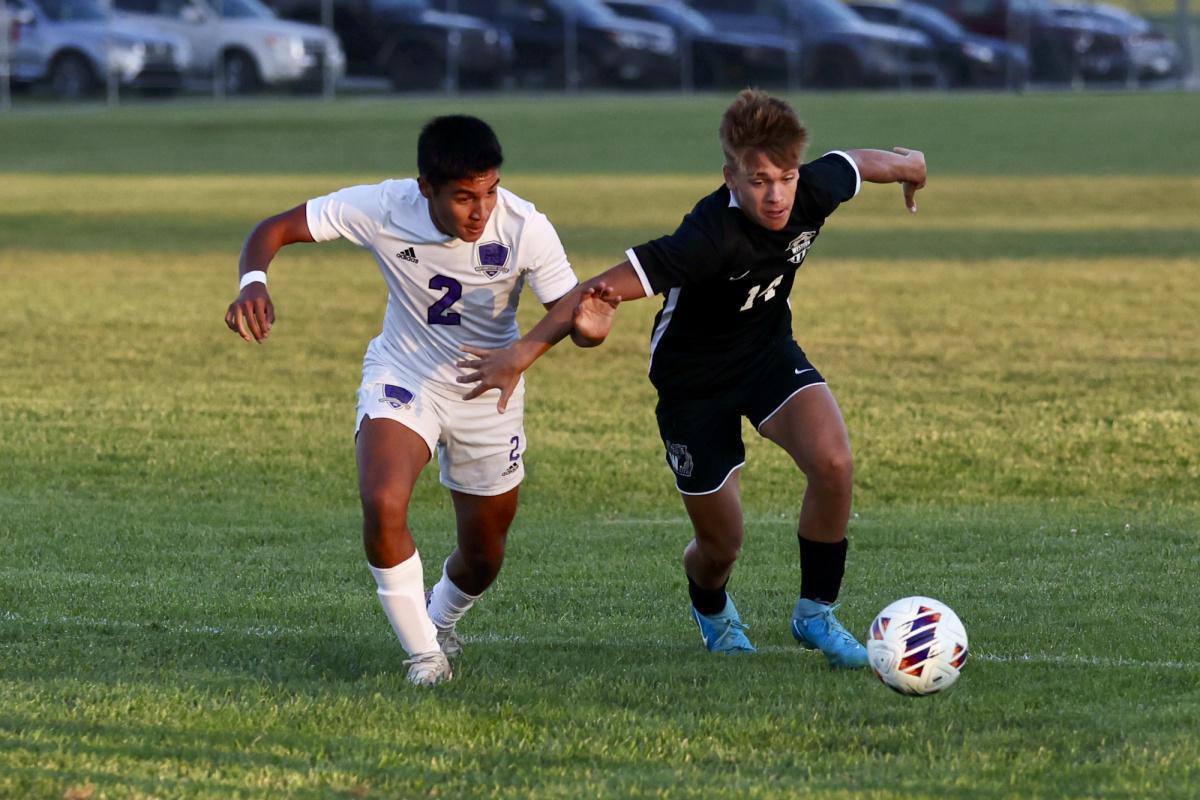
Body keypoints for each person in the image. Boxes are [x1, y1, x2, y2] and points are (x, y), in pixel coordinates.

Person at [456, 89, 927, 667]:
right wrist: (522, 352)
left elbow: (856, 163)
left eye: (784, 177)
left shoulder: (814, 189)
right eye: (758, 181)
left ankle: (816, 615)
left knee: (834, 463)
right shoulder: (704, 238)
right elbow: (593, 291)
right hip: (692, 385)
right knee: (721, 544)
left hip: (765, 354)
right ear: (730, 176)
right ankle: (711, 608)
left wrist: (910, 167)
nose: (775, 194)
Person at [224, 115, 618, 686]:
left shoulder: (525, 226)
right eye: (463, 197)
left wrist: (585, 331)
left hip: (490, 391)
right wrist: (252, 281)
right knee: (383, 501)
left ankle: (441, 616)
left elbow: (571, 313)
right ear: (424, 187)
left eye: (489, 191)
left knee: (484, 554)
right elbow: (274, 228)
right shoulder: (383, 206)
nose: (480, 211)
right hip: (404, 373)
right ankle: (425, 658)